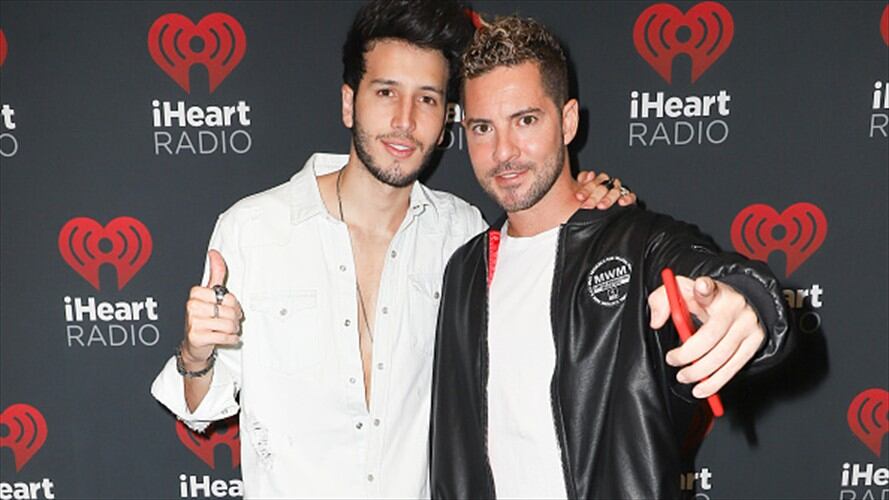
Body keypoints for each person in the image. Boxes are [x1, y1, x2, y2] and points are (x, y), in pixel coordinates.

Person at [151, 2, 633, 498]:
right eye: (386, 93)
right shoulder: (253, 229)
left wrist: (591, 199)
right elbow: (201, 406)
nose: (404, 121)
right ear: (348, 102)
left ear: (447, 117)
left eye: (426, 99)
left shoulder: (464, 237)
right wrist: (197, 352)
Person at [429, 16, 790, 500]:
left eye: (526, 120)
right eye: (482, 128)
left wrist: (748, 302)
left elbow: (709, 272)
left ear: (569, 120)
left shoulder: (637, 244)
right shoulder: (465, 270)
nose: (503, 152)